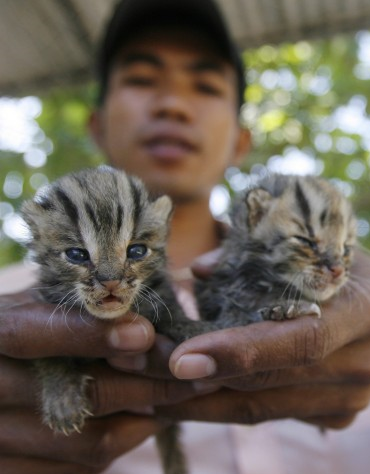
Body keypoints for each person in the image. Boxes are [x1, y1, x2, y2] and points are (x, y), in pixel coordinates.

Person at [1, 0, 370, 472]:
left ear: (241, 140)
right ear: (97, 127)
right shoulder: (12, 308)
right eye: (141, 79)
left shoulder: (347, 303)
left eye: (204, 85)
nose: (173, 104)